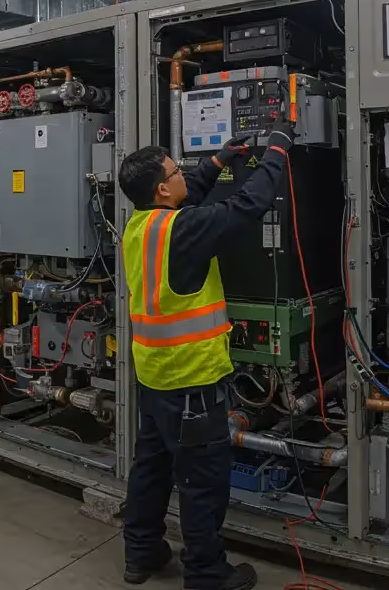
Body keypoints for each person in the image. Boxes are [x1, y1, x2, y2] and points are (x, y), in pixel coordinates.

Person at [116, 120, 295, 589]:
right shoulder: (185, 229)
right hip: (192, 380)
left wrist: (219, 161)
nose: (183, 175)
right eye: (176, 171)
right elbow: (248, 206)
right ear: (160, 187)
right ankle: (206, 573)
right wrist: (277, 150)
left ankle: (141, 554)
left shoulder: (139, 225)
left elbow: (188, 190)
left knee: (151, 470)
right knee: (202, 483)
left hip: (153, 375)